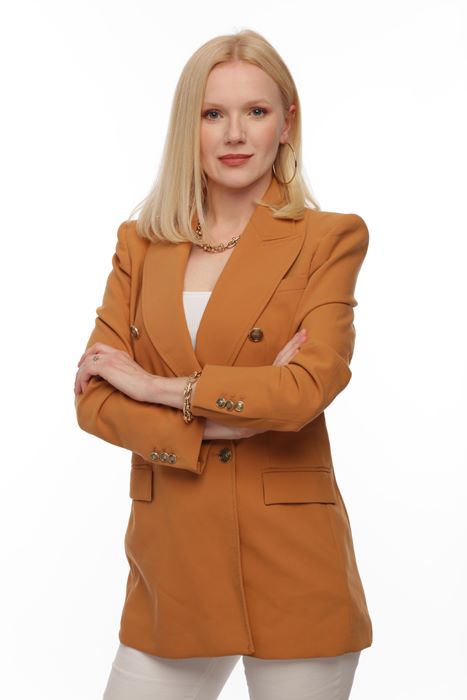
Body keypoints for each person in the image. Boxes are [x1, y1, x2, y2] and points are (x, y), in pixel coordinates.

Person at [74, 28, 373, 700]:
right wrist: (226, 422)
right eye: (213, 113)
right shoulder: (140, 244)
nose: (234, 134)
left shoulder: (328, 239)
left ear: (285, 124)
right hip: (171, 564)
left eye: (255, 111)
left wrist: (156, 387)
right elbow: (94, 397)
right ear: (190, 125)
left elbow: (303, 390)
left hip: (293, 564)